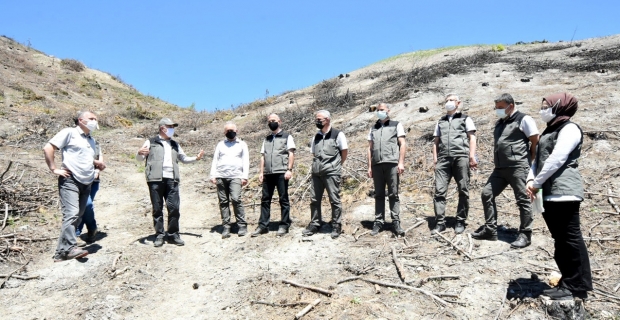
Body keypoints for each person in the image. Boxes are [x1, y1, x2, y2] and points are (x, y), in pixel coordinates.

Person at [526, 93, 592, 300]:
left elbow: (557, 158)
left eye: (546, 105)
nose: (542, 108)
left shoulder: (570, 128)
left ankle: (577, 286)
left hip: (564, 192)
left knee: (570, 239)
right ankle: (569, 281)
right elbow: (537, 159)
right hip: (549, 193)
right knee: (561, 240)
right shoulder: (550, 130)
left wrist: (536, 184)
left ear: (559, 107)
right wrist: (531, 179)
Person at [472, 93, 539, 249]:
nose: (498, 110)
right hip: (500, 169)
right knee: (487, 193)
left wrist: (530, 160)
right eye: (496, 107)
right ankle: (490, 229)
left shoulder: (524, 119)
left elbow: (535, 141)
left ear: (511, 105)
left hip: (518, 168)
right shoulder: (500, 123)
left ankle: (525, 234)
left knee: (523, 200)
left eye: (501, 107)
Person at [43, 111, 106, 262]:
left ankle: (61, 253)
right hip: (70, 180)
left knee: (77, 215)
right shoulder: (69, 133)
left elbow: (83, 158)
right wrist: (54, 169)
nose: (94, 121)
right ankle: (70, 248)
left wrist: (96, 165)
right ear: (80, 120)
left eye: (95, 119)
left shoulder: (91, 140)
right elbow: (48, 147)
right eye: (91, 118)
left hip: (87, 182)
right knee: (71, 213)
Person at [136, 118, 204, 247]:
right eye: (170, 126)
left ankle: (173, 234)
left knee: (174, 208)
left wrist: (196, 158)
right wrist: (139, 153)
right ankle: (159, 235)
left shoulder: (175, 144)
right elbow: (140, 158)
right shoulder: (151, 142)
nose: (172, 129)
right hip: (155, 180)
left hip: (172, 179)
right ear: (162, 128)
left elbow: (183, 158)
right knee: (157, 208)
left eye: (173, 127)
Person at [431, 94, 477, 234]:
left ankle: (460, 221)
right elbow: (435, 141)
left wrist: (471, 156)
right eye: (447, 101)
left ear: (458, 103)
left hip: (461, 157)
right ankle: (440, 222)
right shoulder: (441, 121)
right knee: (439, 191)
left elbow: (472, 138)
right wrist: (435, 158)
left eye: (451, 100)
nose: (448, 103)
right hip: (443, 159)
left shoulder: (465, 119)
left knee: (463, 189)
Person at [303, 110, 348, 239]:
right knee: (314, 199)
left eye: (320, 119)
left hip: (332, 172)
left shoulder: (338, 134)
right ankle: (315, 224)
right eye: (316, 119)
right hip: (317, 173)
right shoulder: (316, 136)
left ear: (327, 119)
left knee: (334, 199)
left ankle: (336, 224)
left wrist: (336, 166)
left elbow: (344, 152)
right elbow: (314, 153)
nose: (317, 121)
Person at [252, 114, 296, 237]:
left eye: (274, 121)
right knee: (265, 200)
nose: (271, 122)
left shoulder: (287, 136)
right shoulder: (266, 139)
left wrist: (289, 170)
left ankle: (284, 225)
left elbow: (291, 153)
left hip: (281, 172)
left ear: (279, 122)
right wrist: (261, 172)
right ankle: (263, 226)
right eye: (269, 121)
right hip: (268, 173)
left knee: (283, 199)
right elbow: (262, 156)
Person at [367, 103, 407, 236]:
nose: (379, 112)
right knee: (378, 194)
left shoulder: (396, 125)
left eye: (382, 110)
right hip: (377, 164)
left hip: (391, 164)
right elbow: (369, 148)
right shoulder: (374, 127)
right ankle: (378, 222)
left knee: (393, 194)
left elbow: (402, 144)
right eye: (378, 110)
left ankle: (396, 222)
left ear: (388, 111)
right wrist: (369, 166)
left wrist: (400, 163)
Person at [210, 122, 250, 239]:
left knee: (236, 199)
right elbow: (215, 160)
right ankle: (226, 226)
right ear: (224, 132)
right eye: (227, 130)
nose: (230, 132)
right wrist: (213, 175)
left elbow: (245, 160)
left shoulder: (242, 144)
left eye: (232, 130)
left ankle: (241, 225)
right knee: (223, 202)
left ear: (236, 131)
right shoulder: (220, 145)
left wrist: (245, 176)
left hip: (236, 176)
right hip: (221, 176)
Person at [75, 138, 101, 245]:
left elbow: (100, 159)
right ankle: (80, 232)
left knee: (86, 205)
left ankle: (89, 229)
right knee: (84, 205)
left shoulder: (95, 143)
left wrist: (98, 170)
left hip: (93, 181)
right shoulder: (74, 142)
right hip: (77, 179)